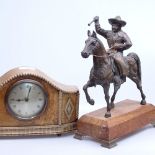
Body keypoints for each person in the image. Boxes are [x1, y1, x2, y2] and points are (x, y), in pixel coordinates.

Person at [94, 16, 132, 82]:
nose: (113, 27)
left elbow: (129, 43)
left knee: (119, 60)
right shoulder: (108, 33)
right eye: (112, 25)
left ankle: (123, 76)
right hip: (109, 51)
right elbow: (99, 30)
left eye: (115, 26)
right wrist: (97, 22)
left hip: (117, 52)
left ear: (119, 26)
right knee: (100, 58)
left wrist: (119, 46)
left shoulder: (123, 34)